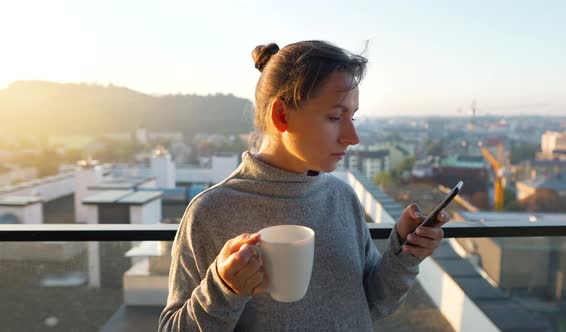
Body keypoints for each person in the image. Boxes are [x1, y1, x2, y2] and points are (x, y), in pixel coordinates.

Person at [159, 40, 449, 331]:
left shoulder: (341, 197)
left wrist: (405, 252)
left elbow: (373, 303)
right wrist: (223, 290)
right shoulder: (212, 211)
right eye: (335, 117)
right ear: (281, 115)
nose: (353, 136)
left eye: (353, 116)